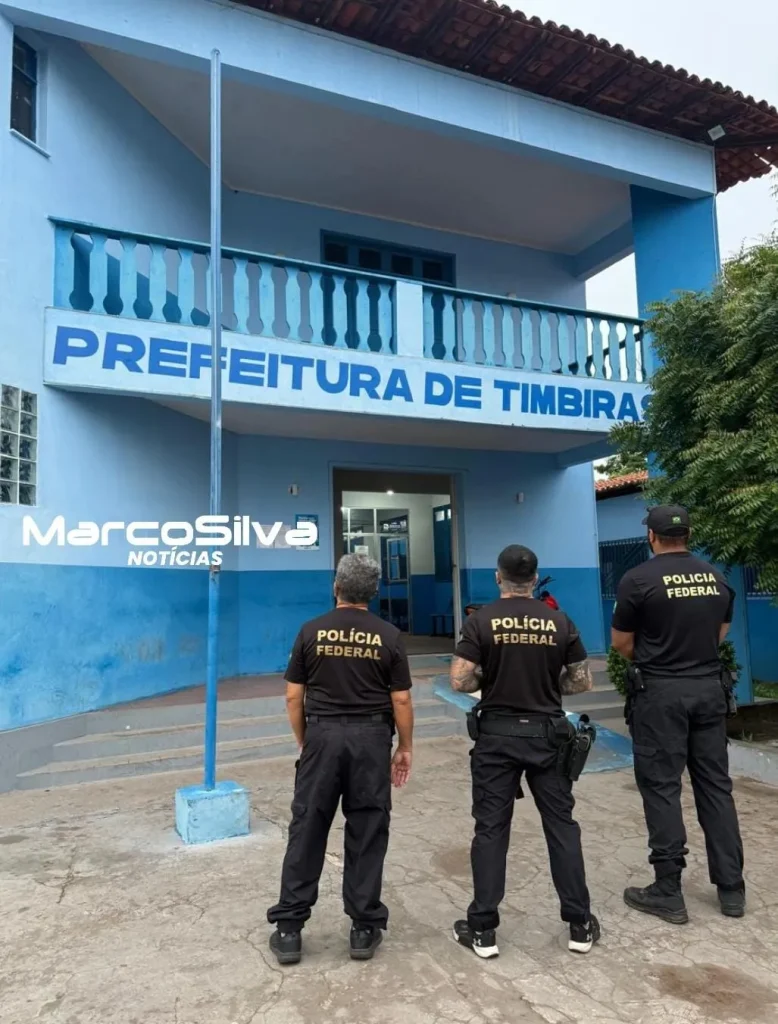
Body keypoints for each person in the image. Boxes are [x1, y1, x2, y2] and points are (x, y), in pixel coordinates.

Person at [450, 544, 601, 959]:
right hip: (548, 738)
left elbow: (460, 681)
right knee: (562, 827)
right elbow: (582, 681)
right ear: (534, 580)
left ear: (498, 577)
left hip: (496, 739)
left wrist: (492, 678)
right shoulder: (559, 621)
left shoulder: (481, 621)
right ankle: (579, 925)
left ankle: (483, 930)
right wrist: (549, 685)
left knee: (491, 830)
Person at [267, 553, 414, 964]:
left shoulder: (310, 631)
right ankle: (363, 928)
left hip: (322, 736)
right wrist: (404, 747)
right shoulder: (389, 635)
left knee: (308, 827)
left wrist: (306, 739)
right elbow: (401, 699)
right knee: (367, 827)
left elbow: (293, 696)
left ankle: (290, 929)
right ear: (374, 592)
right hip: (371, 740)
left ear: (336, 587)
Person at [612, 505, 745, 923]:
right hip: (708, 690)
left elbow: (622, 643)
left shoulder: (638, 580)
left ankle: (668, 889)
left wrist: (660, 658)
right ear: (688, 534)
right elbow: (719, 633)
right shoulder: (716, 577)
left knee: (661, 787)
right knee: (715, 787)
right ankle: (731, 889)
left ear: (651, 537)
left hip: (661, 695)